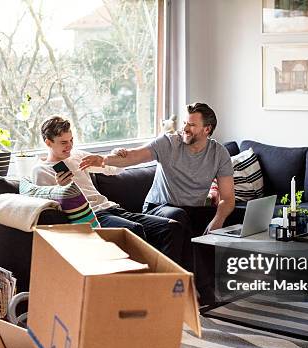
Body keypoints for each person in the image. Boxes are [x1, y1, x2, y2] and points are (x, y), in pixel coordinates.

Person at [79, 102, 235, 276]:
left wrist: (218, 220)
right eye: (185, 123)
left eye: (191, 125)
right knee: (178, 216)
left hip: (192, 209)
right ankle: (172, 282)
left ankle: (213, 283)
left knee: (230, 217)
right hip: (159, 207)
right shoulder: (169, 143)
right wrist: (103, 159)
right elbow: (134, 156)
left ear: (207, 129)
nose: (185, 128)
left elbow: (227, 198)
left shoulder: (219, 153)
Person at [31, 115, 183, 262]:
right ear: (48, 142)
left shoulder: (77, 156)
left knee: (171, 228)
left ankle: (173, 282)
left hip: (111, 209)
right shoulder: (41, 171)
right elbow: (48, 208)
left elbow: (114, 169)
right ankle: (142, 285)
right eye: (63, 142)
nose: (70, 146)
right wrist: (61, 188)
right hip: (92, 217)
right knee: (134, 230)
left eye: (71, 140)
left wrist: (116, 154)